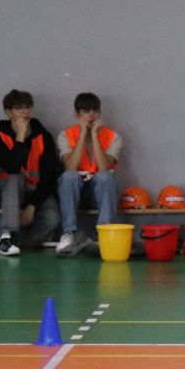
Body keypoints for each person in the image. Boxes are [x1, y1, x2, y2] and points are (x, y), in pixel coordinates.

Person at [0, 89, 62, 257]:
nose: (24, 112)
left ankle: (7, 241)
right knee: (14, 178)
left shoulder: (44, 136)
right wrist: (20, 137)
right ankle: (7, 232)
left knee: (53, 219)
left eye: (27, 107)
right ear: (8, 112)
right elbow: (12, 167)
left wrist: (32, 206)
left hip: (38, 191)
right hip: (11, 191)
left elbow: (50, 175)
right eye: (18, 108)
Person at [56, 92, 123, 257]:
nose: (91, 115)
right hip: (75, 192)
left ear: (100, 113)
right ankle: (69, 233)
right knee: (68, 176)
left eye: (95, 111)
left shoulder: (113, 136)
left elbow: (103, 167)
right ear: (77, 115)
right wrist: (82, 134)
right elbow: (71, 166)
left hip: (99, 193)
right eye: (86, 111)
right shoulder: (65, 135)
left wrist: (94, 135)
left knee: (105, 176)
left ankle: (104, 233)